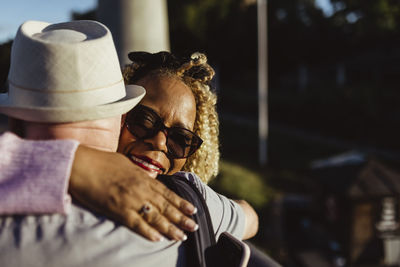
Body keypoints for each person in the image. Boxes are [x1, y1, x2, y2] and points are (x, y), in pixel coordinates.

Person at [0, 20, 256, 266]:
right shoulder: (191, 205)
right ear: (120, 117)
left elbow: (249, 215)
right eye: (144, 120)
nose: (159, 142)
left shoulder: (13, 228)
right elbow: (249, 218)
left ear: (15, 127)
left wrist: (63, 162)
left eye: (181, 139)